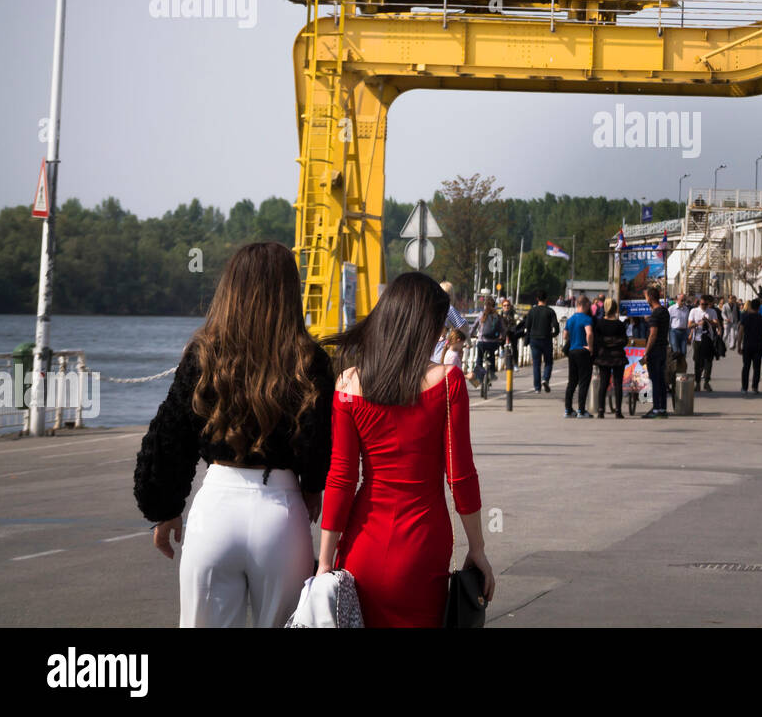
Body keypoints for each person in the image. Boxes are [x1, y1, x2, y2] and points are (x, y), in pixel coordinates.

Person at [134, 241, 334, 628]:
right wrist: (311, 486)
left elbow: (169, 436)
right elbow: (320, 440)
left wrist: (164, 509)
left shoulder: (203, 355)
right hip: (282, 513)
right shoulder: (309, 360)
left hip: (215, 511)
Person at [318, 272, 494, 627]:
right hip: (424, 544)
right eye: (440, 324)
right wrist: (477, 549)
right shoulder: (448, 381)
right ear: (423, 324)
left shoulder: (348, 381)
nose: (443, 334)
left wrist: (324, 562)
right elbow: (460, 476)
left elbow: (341, 478)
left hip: (363, 542)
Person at [593, 299, 629, 418]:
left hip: (603, 356)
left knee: (603, 383)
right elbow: (624, 341)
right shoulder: (620, 324)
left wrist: (606, 343)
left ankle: (601, 410)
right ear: (615, 308)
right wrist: (615, 342)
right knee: (618, 383)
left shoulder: (599, 324)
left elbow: (597, 340)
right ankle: (618, 411)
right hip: (618, 356)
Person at [563, 297, 595, 418]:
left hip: (572, 351)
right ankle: (581, 410)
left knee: (572, 381)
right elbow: (589, 333)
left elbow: (565, 336)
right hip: (583, 351)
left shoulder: (570, 320)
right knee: (584, 381)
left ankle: (568, 409)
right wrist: (590, 347)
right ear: (586, 305)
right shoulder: (587, 319)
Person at [642, 286, 671, 419]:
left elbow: (653, 334)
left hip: (655, 350)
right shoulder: (664, 311)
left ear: (650, 298)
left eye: (646, 297)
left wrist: (646, 352)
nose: (646, 299)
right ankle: (662, 408)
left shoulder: (655, 314)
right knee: (661, 379)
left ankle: (656, 409)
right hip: (663, 348)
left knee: (655, 380)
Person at [523, 290, 560, 393]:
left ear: (537, 299)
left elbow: (527, 326)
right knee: (548, 361)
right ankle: (546, 379)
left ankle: (537, 388)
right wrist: (554, 334)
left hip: (534, 340)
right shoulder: (550, 311)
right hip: (546, 339)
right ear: (546, 299)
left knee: (536, 364)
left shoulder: (532, 311)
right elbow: (555, 326)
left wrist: (527, 339)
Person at [689, 294, 721, 392]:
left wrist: (708, 321)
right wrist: (698, 324)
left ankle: (706, 382)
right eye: (702, 304)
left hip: (708, 339)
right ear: (699, 303)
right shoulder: (694, 311)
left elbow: (716, 324)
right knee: (698, 362)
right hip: (698, 339)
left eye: (706, 304)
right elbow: (689, 325)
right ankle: (697, 383)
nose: (704, 306)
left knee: (708, 362)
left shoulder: (712, 311)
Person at [737, 298, 762, 395]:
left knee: (746, 367)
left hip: (747, 345)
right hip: (758, 346)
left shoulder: (745, 318)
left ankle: (744, 387)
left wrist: (739, 346)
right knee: (757, 368)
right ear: (759, 308)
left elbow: (740, 332)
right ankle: (755, 387)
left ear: (750, 307)